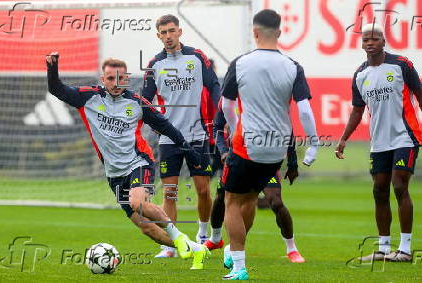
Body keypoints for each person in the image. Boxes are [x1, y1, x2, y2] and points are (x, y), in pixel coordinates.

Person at [46, 52, 210, 270]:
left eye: (120, 78)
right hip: (114, 173)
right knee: (148, 229)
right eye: (111, 78)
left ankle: (179, 237)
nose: (116, 83)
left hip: (138, 162)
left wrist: (188, 151)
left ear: (126, 79)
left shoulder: (137, 103)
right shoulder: (87, 97)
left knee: (138, 203)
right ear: (102, 79)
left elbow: (166, 127)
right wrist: (52, 68)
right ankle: (195, 248)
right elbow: (56, 89)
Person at [220, 9, 318, 280]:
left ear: (255, 32)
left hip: (247, 144)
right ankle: (234, 252)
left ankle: (239, 266)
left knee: (231, 200)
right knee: (250, 198)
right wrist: (313, 145)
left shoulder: (240, 63)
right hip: (276, 149)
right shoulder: (292, 66)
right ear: (280, 32)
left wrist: (233, 130)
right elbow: (306, 111)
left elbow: (226, 105)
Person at [335, 23, 421, 262]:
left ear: (384, 41)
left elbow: (420, 94)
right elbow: (357, 110)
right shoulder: (360, 74)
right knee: (379, 191)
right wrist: (343, 139)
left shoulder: (402, 64)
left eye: (374, 39)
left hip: (406, 135)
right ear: (361, 44)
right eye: (365, 40)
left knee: (399, 185)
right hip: (379, 142)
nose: (369, 43)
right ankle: (383, 248)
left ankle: (404, 250)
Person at [142, 14, 220, 257]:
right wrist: (153, 121)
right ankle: (171, 245)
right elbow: (144, 101)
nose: (168, 36)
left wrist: (220, 118)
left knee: (204, 190)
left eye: (171, 31)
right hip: (169, 139)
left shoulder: (196, 57)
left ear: (180, 32)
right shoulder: (154, 65)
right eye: (163, 32)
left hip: (197, 136)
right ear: (158, 36)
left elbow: (214, 86)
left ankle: (203, 234)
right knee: (170, 193)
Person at [204, 109, 305, 264]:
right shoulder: (228, 98)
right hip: (237, 159)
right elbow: (217, 127)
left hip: (265, 160)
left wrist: (292, 161)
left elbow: (287, 128)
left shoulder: (265, 97)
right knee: (221, 197)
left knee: (276, 201)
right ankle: (215, 238)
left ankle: (291, 249)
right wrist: (223, 151)